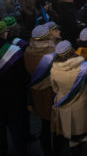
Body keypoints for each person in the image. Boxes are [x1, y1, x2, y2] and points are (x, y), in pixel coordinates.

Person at [50, 40, 87, 155]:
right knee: (86, 135)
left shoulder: (54, 70)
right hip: (83, 107)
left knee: (72, 138)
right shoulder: (85, 67)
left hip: (65, 108)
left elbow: (55, 89)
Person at [24, 24, 60, 156]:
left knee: (44, 124)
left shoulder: (27, 51)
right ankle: (57, 150)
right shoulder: (52, 52)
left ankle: (46, 150)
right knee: (56, 125)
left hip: (37, 92)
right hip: (52, 91)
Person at [0, 19, 28, 156]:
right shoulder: (13, 51)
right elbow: (22, 76)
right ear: (4, 34)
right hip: (13, 97)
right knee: (16, 127)